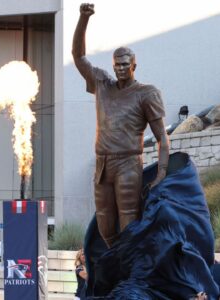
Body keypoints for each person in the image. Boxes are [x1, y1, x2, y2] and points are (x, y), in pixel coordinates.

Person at [72, 3, 169, 247]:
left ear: (134, 65)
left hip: (128, 162)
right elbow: (78, 56)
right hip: (103, 163)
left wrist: (162, 171)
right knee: (104, 222)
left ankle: (130, 266)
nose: (121, 68)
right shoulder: (103, 84)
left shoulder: (147, 93)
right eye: (117, 64)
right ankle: (117, 263)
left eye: (126, 64)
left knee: (129, 219)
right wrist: (83, 19)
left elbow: (162, 138)